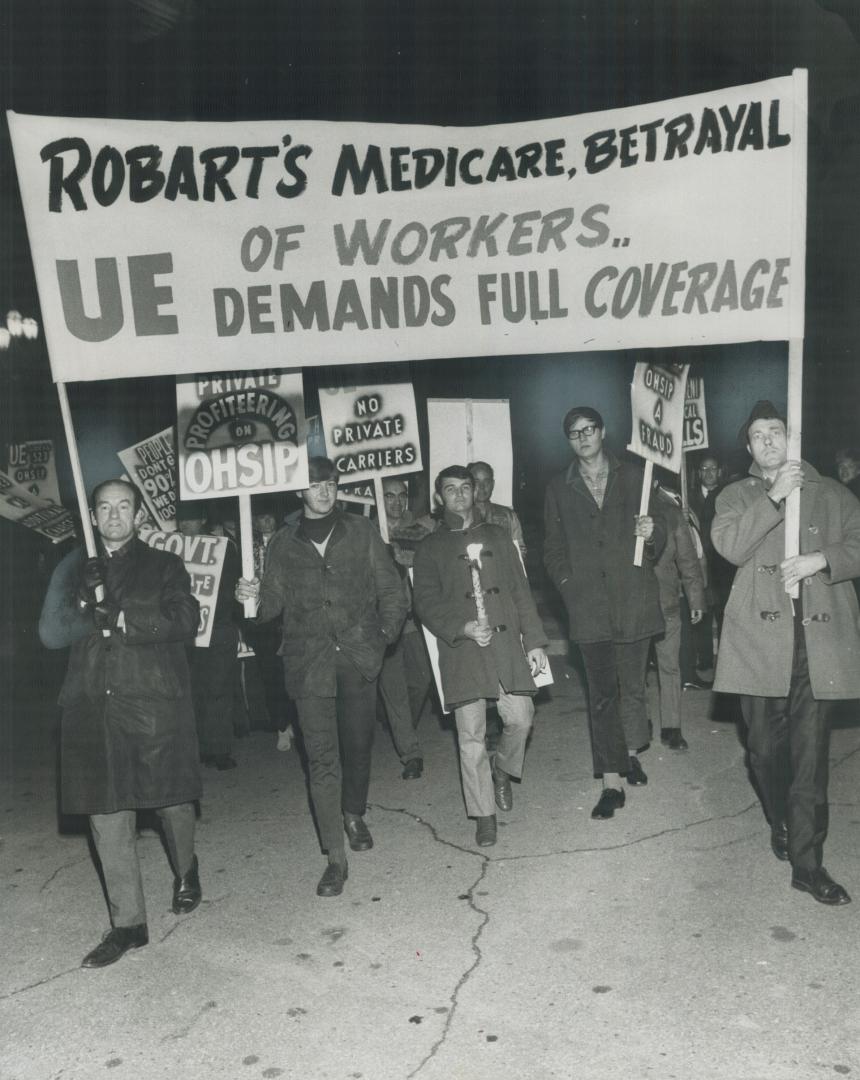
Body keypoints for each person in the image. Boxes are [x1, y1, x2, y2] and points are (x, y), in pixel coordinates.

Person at [39, 479, 202, 967]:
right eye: (104, 507)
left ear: (138, 515)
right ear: (92, 517)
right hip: (93, 704)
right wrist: (87, 604)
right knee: (106, 811)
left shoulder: (164, 564)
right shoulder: (72, 568)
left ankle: (187, 868)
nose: (113, 515)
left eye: (123, 506)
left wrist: (126, 616)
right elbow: (49, 634)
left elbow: (186, 618)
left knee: (172, 801)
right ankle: (128, 924)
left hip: (152, 700)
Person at [235, 457, 406, 897]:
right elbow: (272, 604)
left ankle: (354, 812)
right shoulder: (281, 544)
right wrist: (251, 599)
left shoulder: (361, 531)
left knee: (359, 747)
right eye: (314, 485)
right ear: (299, 492)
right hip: (308, 664)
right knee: (322, 759)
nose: (324, 491)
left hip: (358, 657)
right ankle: (335, 856)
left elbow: (391, 589)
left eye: (329, 483)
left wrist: (383, 637)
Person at [712, 400, 860, 906]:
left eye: (776, 432)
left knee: (810, 759)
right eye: (759, 435)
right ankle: (781, 817)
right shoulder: (735, 495)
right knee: (763, 751)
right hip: (759, 644)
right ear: (749, 447)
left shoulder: (834, 494)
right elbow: (730, 546)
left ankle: (808, 863)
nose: (769, 441)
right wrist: (774, 497)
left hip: (818, 644)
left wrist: (822, 558)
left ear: (791, 438)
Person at [413, 466, 547, 847]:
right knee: (470, 736)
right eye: (450, 490)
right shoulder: (429, 547)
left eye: (465, 488)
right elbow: (425, 602)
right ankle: (483, 814)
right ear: (439, 498)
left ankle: (502, 769)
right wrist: (463, 627)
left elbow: (521, 591)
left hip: (505, 646)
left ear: (475, 492)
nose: (458, 495)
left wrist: (534, 640)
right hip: (463, 652)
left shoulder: (498, 536)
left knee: (521, 718)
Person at [544, 406, 665, 820]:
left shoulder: (635, 476)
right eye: (574, 433)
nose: (583, 437)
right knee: (601, 695)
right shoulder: (559, 487)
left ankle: (631, 754)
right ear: (568, 441)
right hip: (589, 606)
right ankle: (611, 782)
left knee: (631, 687)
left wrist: (653, 534)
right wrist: (568, 586)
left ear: (603, 431)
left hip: (633, 597)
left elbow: (661, 527)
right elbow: (553, 548)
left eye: (589, 429)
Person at [376, 476, 436, 779]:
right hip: (384, 622)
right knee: (395, 689)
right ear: (378, 498)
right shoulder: (368, 530)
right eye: (389, 496)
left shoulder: (420, 528)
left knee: (422, 679)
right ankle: (411, 753)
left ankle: (396, 722)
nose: (396, 502)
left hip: (414, 620)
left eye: (401, 495)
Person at [176, 501, 242, 770]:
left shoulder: (224, 548)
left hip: (218, 628)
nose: (185, 526)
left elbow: (234, 585)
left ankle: (220, 749)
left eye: (190, 520)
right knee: (192, 692)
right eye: (181, 521)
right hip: (186, 635)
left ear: (203, 519)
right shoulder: (172, 548)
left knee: (218, 691)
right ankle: (198, 748)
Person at [652, 482, 707, 751]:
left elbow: (687, 559)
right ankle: (638, 724)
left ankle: (671, 727)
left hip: (666, 602)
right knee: (632, 671)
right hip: (631, 606)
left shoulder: (671, 513)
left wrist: (695, 598)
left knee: (670, 666)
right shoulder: (619, 510)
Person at [245, 495, 296, 750]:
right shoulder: (246, 547)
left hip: (288, 617)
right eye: (259, 517)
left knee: (293, 673)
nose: (264, 521)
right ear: (253, 521)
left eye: (268, 516)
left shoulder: (290, 541)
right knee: (271, 676)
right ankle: (281, 726)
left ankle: (298, 721)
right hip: (263, 623)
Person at [688, 453, 731, 682]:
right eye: (704, 469)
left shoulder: (727, 495)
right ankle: (704, 661)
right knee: (701, 613)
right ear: (698, 473)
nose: (708, 473)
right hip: (698, 565)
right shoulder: (688, 498)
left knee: (724, 613)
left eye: (712, 468)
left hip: (722, 565)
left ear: (719, 471)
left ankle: (725, 661)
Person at [467, 461, 527, 561]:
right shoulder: (462, 516)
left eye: (486, 481)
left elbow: (520, 550)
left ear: (492, 484)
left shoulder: (508, 515)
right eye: (476, 481)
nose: (482, 487)